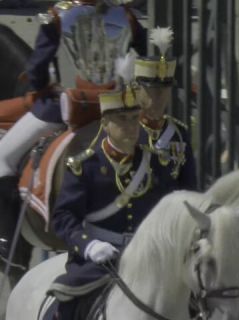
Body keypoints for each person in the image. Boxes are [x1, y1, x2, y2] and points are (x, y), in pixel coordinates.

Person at [47, 80, 173, 320]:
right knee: (66, 299)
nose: (131, 128)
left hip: (145, 258)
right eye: (123, 121)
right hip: (100, 259)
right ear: (106, 124)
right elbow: (63, 218)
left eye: (135, 119)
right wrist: (89, 245)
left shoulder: (154, 163)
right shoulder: (83, 166)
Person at [0, 0, 147, 268]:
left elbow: (36, 71)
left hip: (72, 105)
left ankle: (6, 246)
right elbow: (148, 55)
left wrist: (44, 87)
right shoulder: (127, 16)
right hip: (118, 103)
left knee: (2, 159)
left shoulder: (57, 16)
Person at [134, 27, 197, 191]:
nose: (158, 99)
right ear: (137, 90)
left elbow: (189, 187)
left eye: (164, 91)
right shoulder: (128, 130)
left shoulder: (179, 134)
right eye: (152, 91)